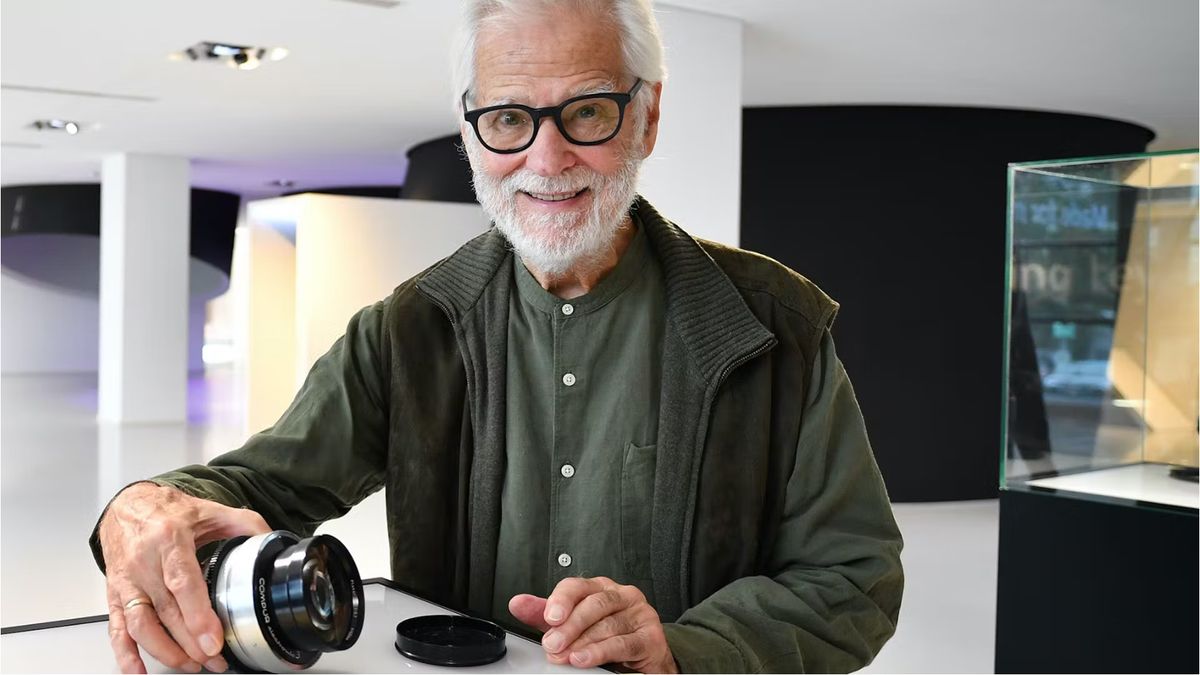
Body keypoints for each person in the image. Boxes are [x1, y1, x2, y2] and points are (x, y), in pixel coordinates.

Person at [90, 1, 904, 672]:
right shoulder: (408, 329)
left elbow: (854, 577)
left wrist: (686, 648)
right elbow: (253, 488)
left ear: (647, 116)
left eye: (587, 110)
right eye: (509, 118)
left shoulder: (775, 325)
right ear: (471, 131)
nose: (546, 158)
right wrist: (136, 507)